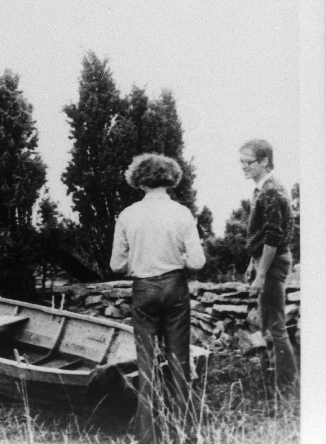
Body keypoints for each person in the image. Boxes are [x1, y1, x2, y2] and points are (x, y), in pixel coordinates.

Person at [110, 153, 205, 444]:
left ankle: (147, 436)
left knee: (147, 364)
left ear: (139, 181)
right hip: (175, 287)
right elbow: (198, 262)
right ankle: (184, 433)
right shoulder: (181, 212)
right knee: (179, 361)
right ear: (170, 179)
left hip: (144, 289)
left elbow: (116, 265)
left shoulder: (128, 214)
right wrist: (178, 258)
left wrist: (139, 258)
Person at [239, 139, 298, 395]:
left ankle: (285, 387)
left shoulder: (271, 191)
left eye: (248, 162)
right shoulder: (261, 189)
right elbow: (262, 234)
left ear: (264, 161)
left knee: (275, 326)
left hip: (273, 263)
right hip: (265, 260)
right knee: (269, 324)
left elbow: (273, 237)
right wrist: (252, 264)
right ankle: (277, 379)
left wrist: (261, 273)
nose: (244, 167)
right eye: (241, 162)